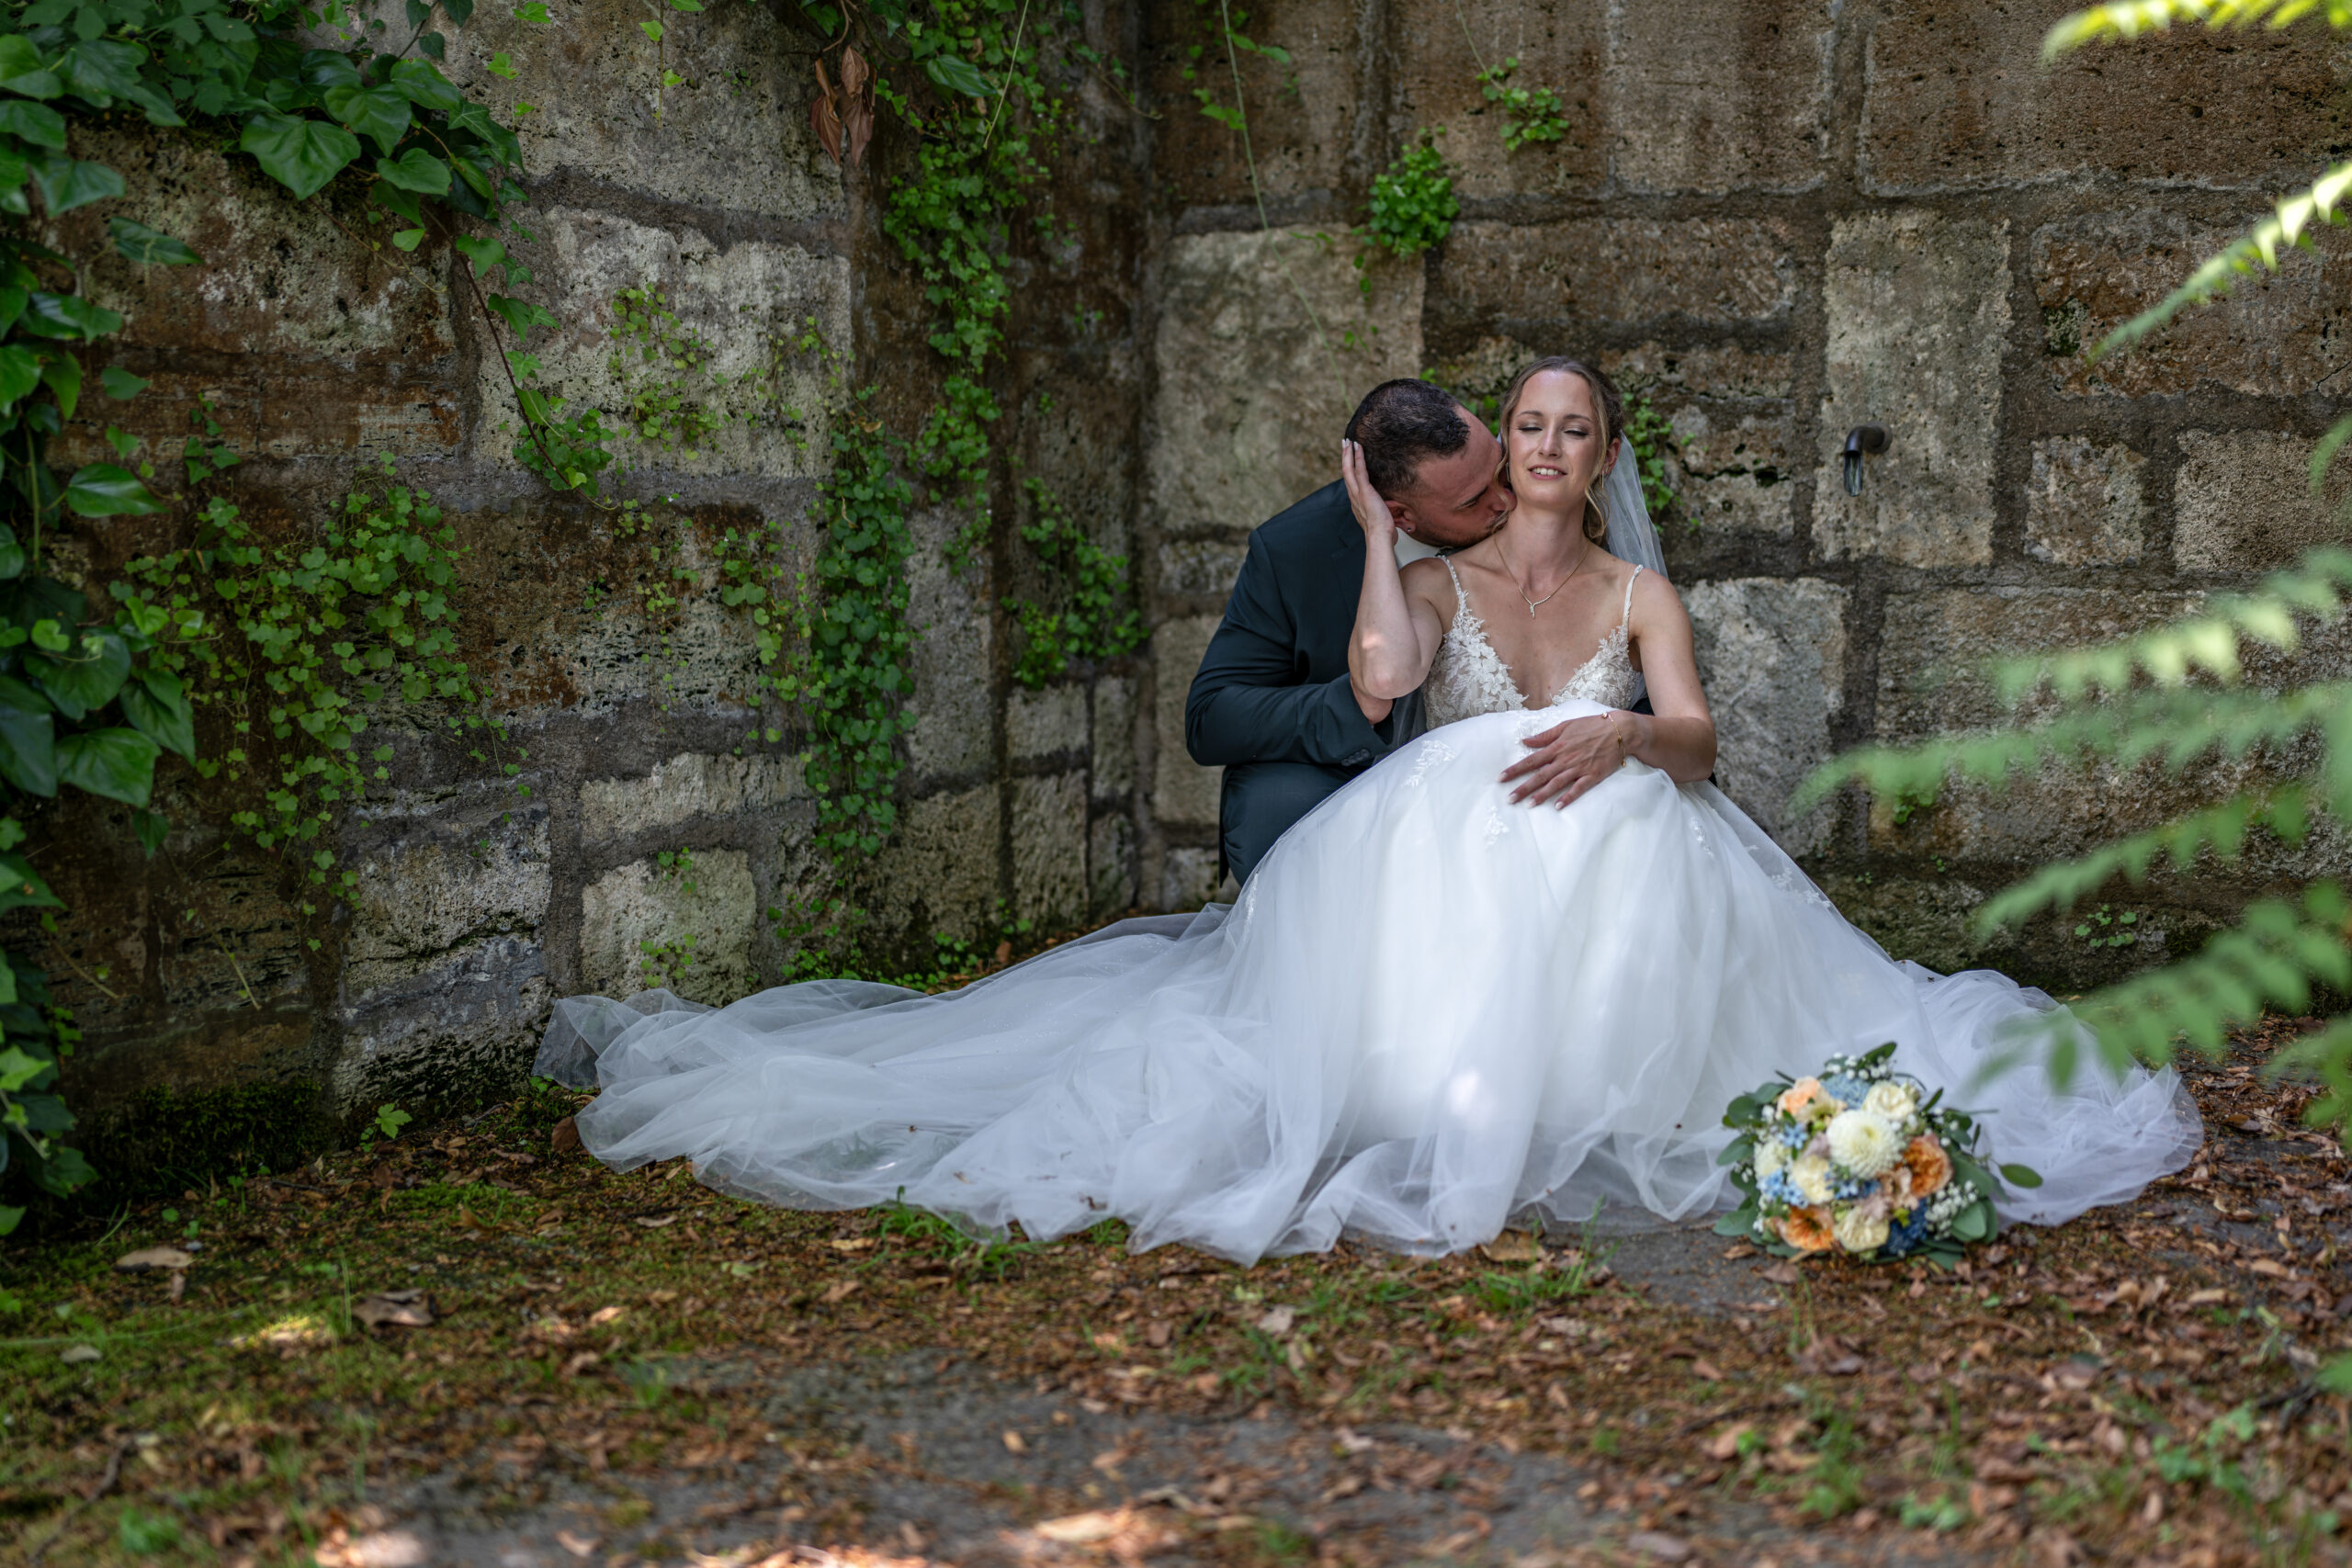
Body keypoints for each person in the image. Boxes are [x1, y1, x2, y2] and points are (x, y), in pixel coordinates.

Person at [537, 357, 2199, 1265]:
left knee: (1628, 839)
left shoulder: (1642, 592)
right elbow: (1386, 677)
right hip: (1438, 824)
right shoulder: (1421, 566)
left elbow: (1696, 739)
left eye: (1562, 432)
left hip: (1619, 809)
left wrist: (1624, 738)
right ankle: (1434, 1090)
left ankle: (1599, 1093)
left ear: (1599, 454)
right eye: (1519, 431)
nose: (1535, 453)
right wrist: (1375, 529)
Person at [1184, 379, 1511, 886]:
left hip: (1506, 756)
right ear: (1399, 515)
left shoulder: (1538, 499)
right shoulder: (1295, 548)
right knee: (1269, 806)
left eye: (1501, 469)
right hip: (1362, 770)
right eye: (1474, 501)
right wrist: (1353, 705)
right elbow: (1211, 718)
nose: (1507, 500)